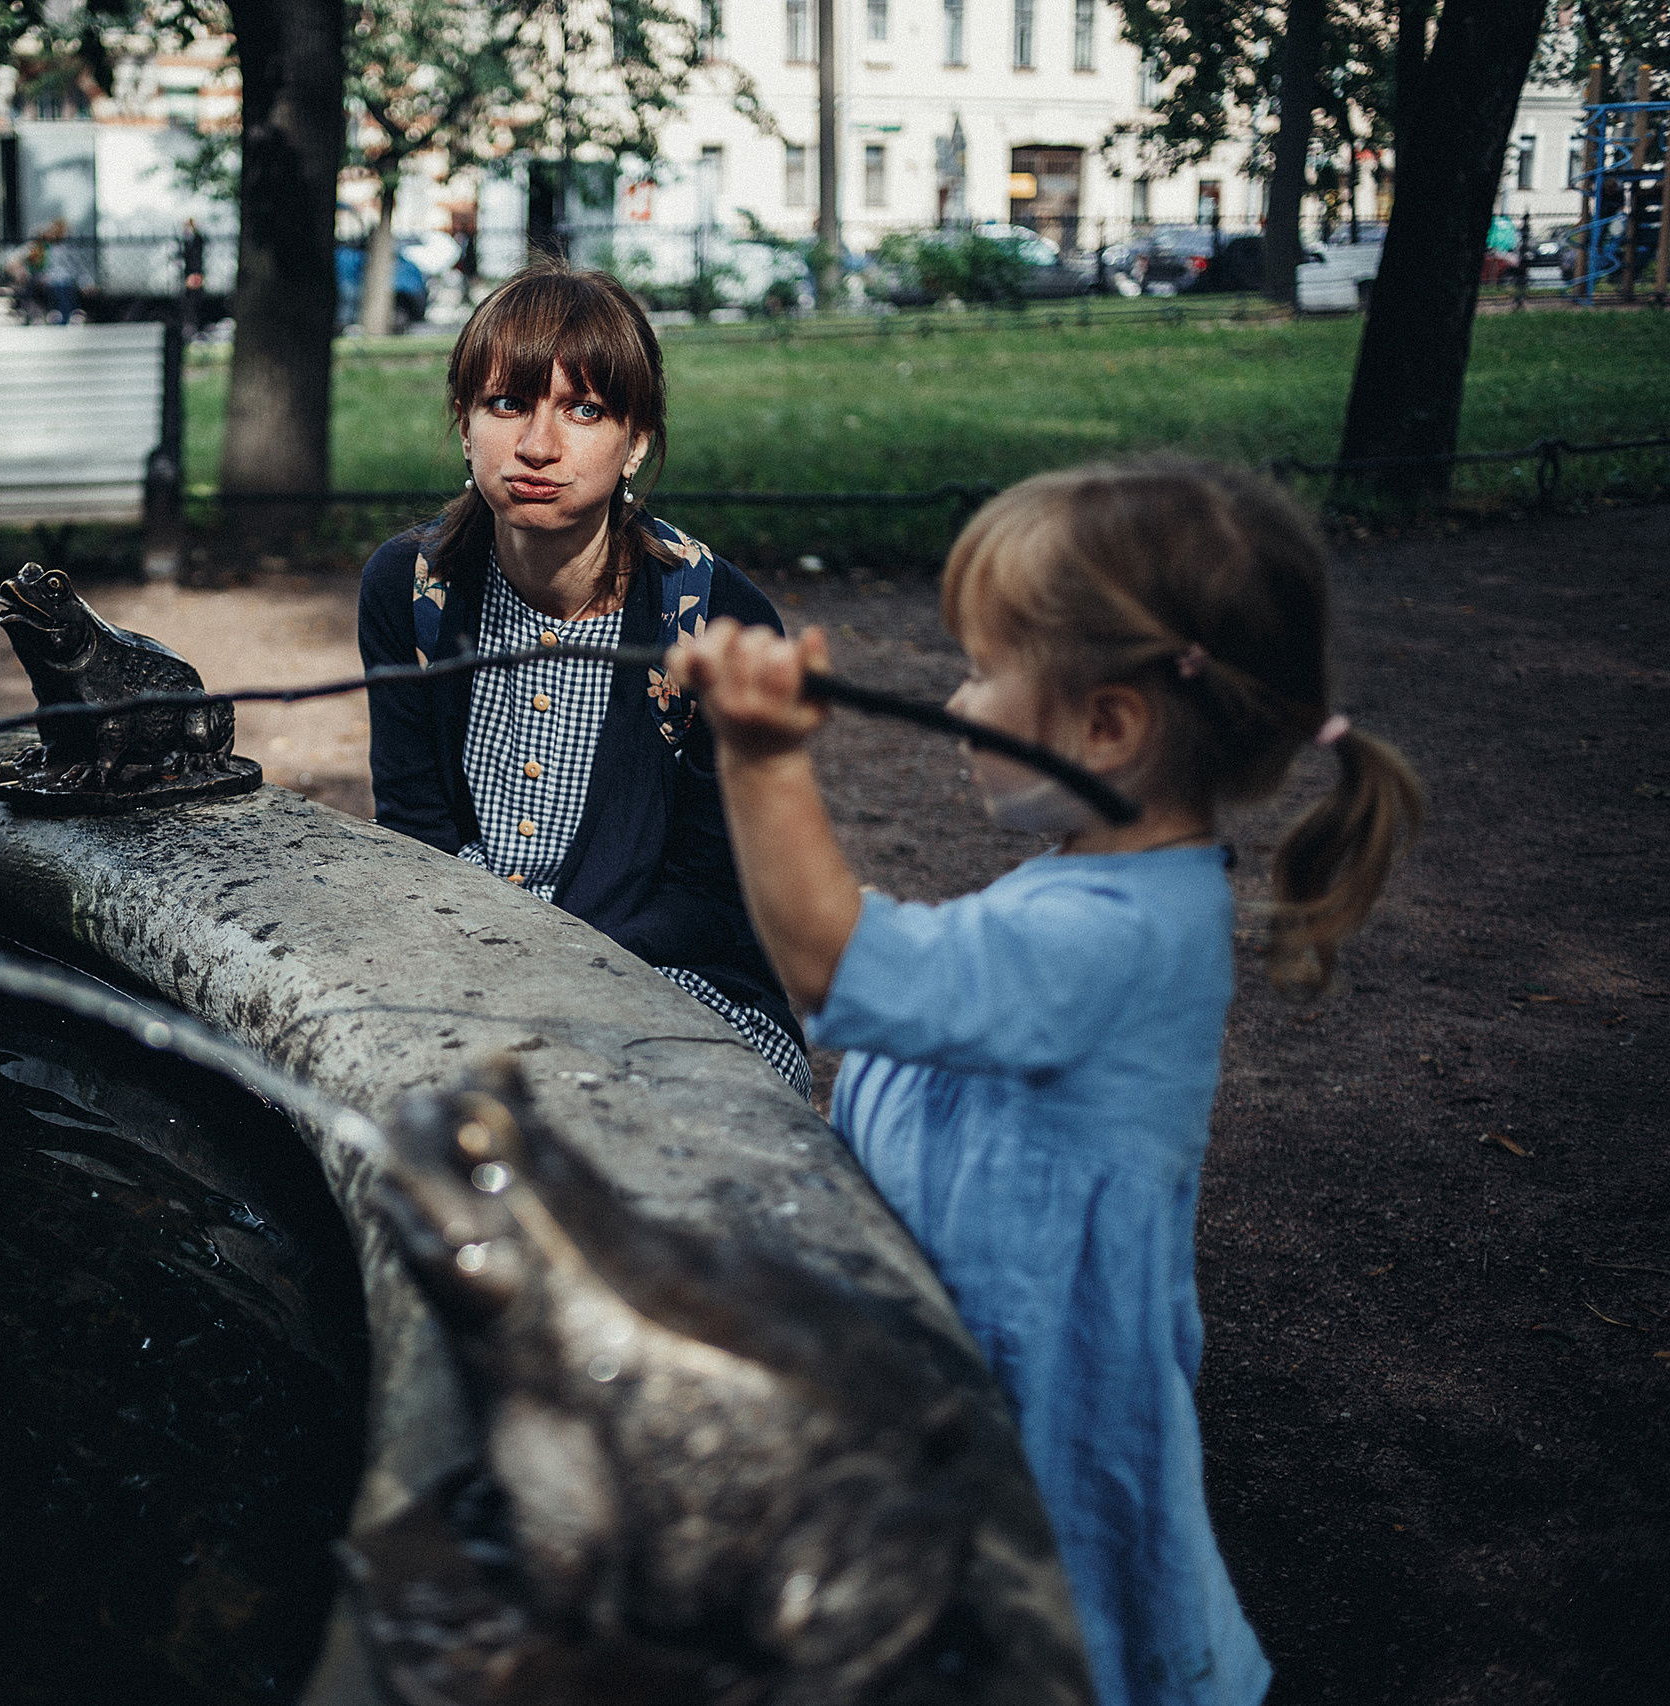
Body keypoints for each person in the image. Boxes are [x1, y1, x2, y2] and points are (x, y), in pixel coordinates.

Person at [669, 458, 1426, 1706]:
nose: (955, 696)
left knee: (1051, 1630)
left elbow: (838, 965)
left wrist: (758, 757)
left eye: (978, 669)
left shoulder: (1112, 933)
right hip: (978, 1343)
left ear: (1107, 725)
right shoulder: (1097, 885)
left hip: (1036, 1375)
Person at [358, 261, 811, 1097]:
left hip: (673, 982)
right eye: (507, 404)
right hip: (462, 963)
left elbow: (713, 894)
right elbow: (415, 829)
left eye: (585, 410)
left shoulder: (712, 620)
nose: (537, 445)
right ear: (464, 423)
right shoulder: (411, 589)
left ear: (636, 440)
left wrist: (551, 973)